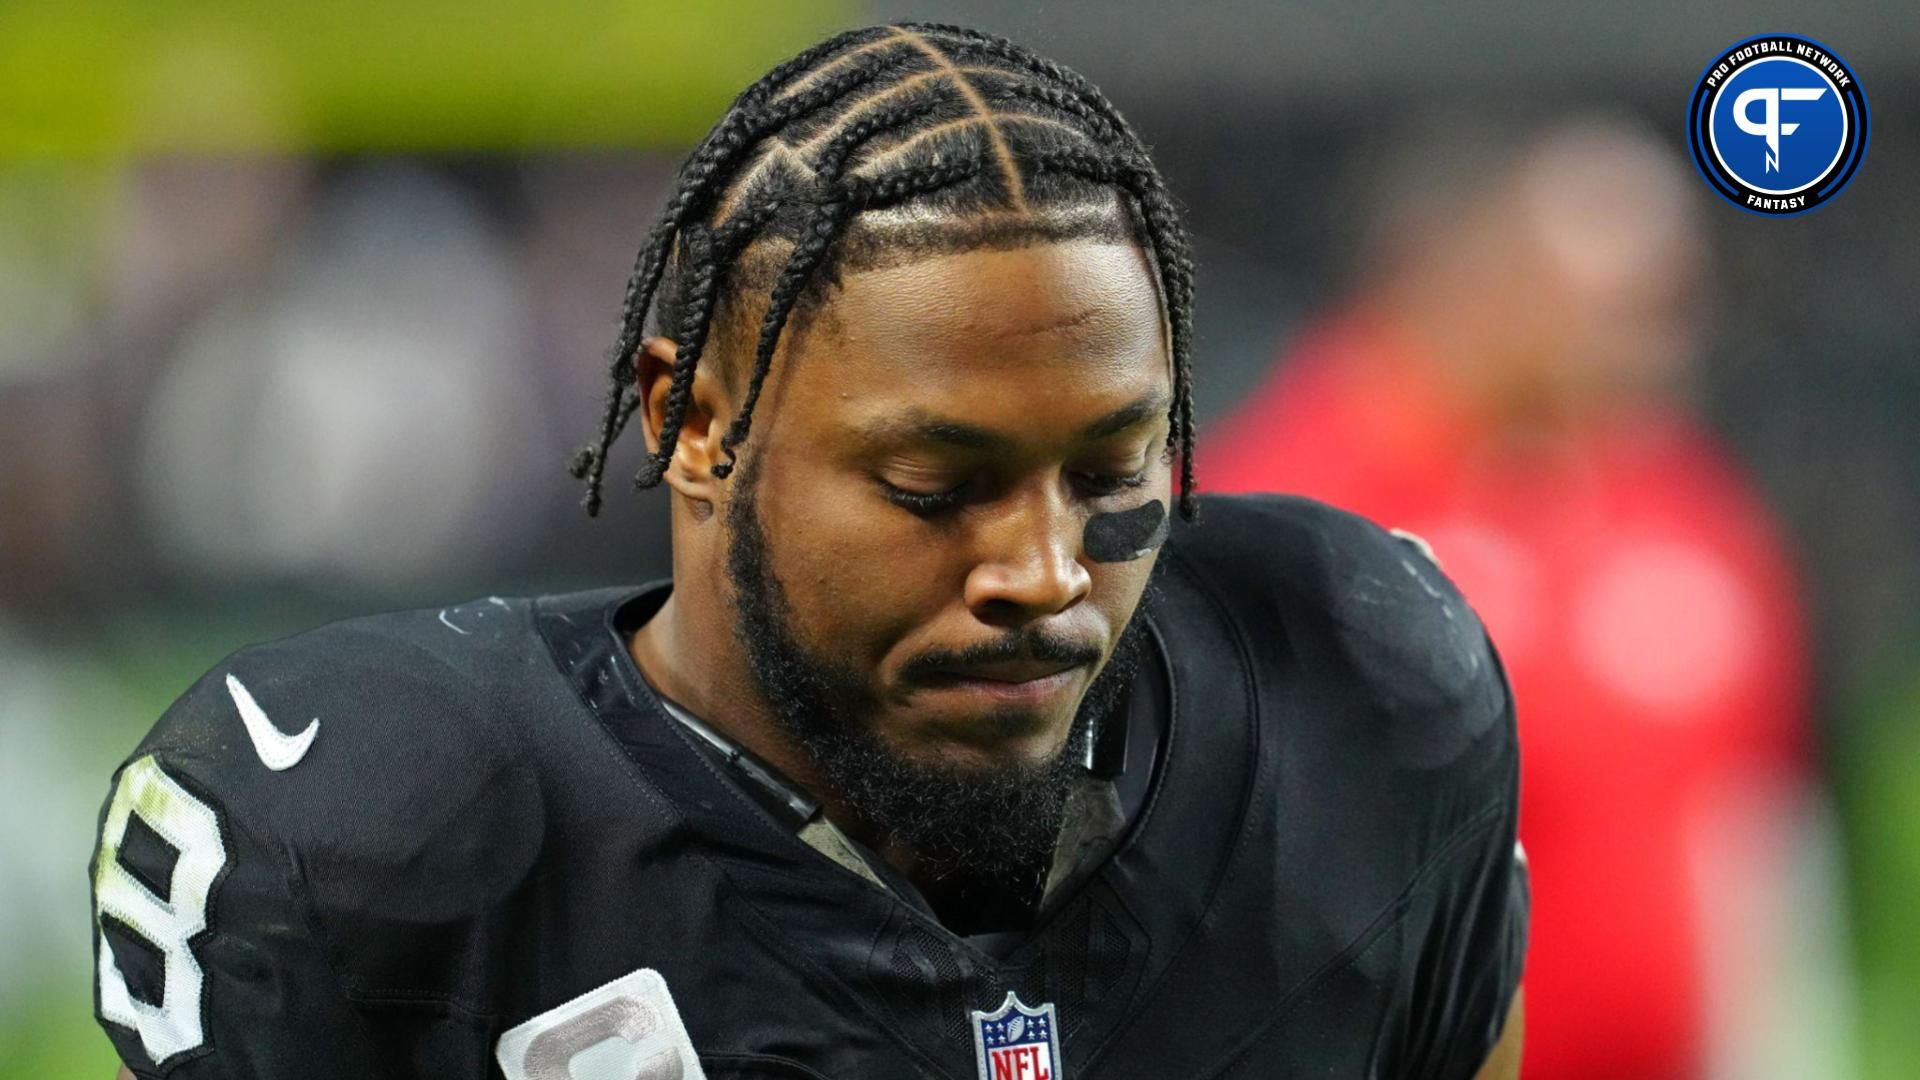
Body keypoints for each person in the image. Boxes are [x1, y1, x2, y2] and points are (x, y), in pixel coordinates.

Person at [91, 24, 1526, 1079]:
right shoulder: (375, 833)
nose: (1044, 568)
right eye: (935, 482)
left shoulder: (1359, 685)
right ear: (693, 422)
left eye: (1109, 467)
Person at [1200, 117, 1808, 1078]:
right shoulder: (1298, 504)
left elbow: (1746, 830)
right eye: (1624, 303)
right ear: (1478, 279)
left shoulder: (1683, 500)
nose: (1666, 340)